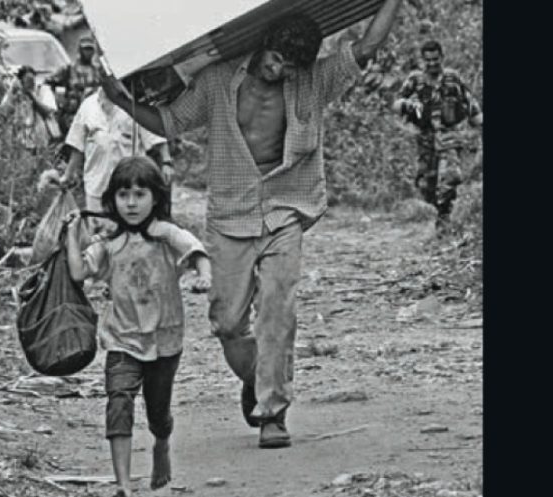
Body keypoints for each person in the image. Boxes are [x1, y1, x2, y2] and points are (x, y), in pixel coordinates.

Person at [99, 0, 404, 449]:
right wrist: (119, 98)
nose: (278, 70)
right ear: (263, 46)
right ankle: (258, 377)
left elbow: (367, 45)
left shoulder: (314, 81)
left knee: (279, 310)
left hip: (286, 209)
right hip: (230, 213)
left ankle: (273, 412)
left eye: (288, 66)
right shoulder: (219, 79)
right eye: (275, 59)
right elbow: (168, 122)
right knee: (227, 322)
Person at [65, 156, 212, 497]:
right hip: (122, 340)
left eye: (140, 194)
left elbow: (196, 250)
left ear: (156, 198)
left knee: (158, 413)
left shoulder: (165, 234)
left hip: (164, 340)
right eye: (123, 195)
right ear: (112, 200)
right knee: (119, 403)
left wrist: (204, 277)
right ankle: (124, 486)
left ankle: (162, 443)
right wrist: (72, 234)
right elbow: (78, 273)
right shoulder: (109, 244)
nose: (131, 203)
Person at [392, 40, 483, 230]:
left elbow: (471, 103)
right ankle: (440, 208)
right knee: (425, 184)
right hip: (425, 138)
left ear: (441, 57)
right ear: (423, 60)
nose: (432, 63)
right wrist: (408, 105)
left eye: (435, 59)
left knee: (451, 176)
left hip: (449, 136)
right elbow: (396, 104)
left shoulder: (452, 78)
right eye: (428, 60)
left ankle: (444, 216)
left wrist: (479, 125)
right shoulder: (415, 80)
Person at [60, 87, 174, 234]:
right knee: (98, 235)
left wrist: (166, 161)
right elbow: (77, 144)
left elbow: (155, 135)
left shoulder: (134, 104)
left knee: (129, 233)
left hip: (129, 186)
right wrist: (67, 175)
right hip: (96, 184)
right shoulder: (88, 106)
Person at [45, 35, 102, 134]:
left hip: (93, 113)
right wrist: (58, 99)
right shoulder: (69, 69)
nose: (88, 52)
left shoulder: (97, 70)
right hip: (73, 114)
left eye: (90, 49)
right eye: (85, 49)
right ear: (80, 50)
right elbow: (48, 82)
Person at [0, 65, 59, 155]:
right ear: (21, 81)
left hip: (40, 137)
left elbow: (48, 111)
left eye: (31, 79)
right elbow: (4, 112)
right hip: (19, 138)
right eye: (26, 80)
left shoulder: (42, 90)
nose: (30, 82)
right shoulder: (15, 92)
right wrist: (13, 94)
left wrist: (32, 95)